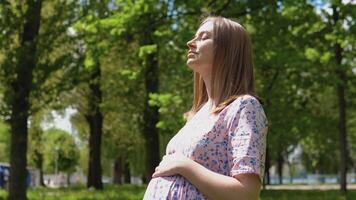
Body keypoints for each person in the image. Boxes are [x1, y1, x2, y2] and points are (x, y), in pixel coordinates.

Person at [143, 16, 268, 200]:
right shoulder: (198, 114)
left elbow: (247, 193)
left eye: (203, 37)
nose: (190, 43)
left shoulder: (244, 107)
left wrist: (184, 165)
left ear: (227, 50)